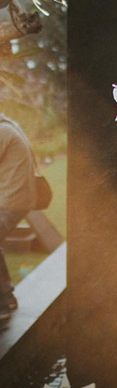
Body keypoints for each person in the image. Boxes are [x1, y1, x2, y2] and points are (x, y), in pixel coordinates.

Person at [0, 115, 36, 321]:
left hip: (11, 201)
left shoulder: (2, 132)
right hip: (16, 198)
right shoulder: (9, 125)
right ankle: (6, 297)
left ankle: (3, 304)